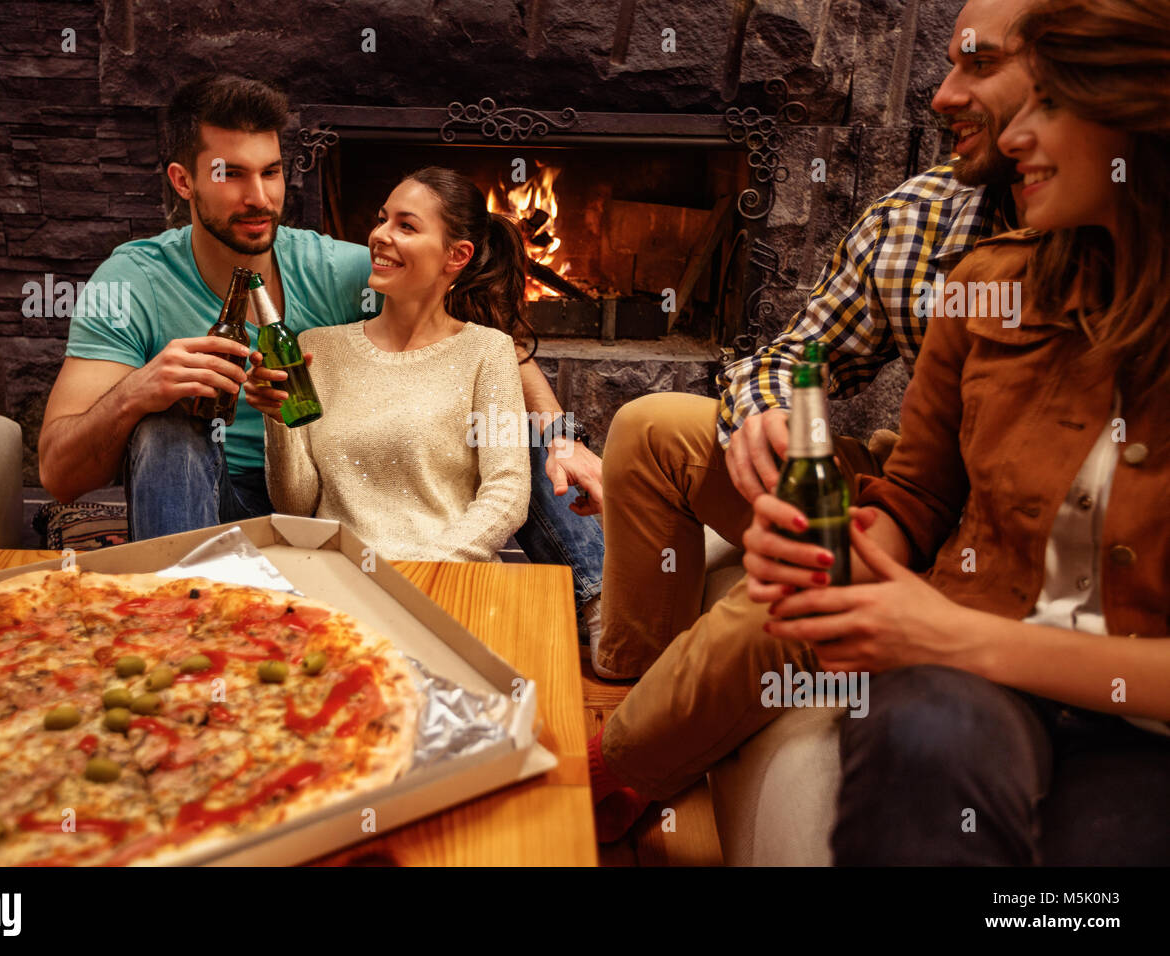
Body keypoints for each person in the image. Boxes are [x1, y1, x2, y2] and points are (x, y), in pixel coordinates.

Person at [586, 0, 1032, 841]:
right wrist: (767, 416)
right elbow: (791, 358)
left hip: (981, 537)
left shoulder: (1103, 247)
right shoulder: (923, 217)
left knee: (798, 588)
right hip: (918, 488)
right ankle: (626, 681)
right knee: (652, 429)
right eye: (943, 65)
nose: (938, 97)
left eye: (980, 65)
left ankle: (616, 774)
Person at [745, 0, 1170, 865]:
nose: (1015, 136)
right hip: (973, 676)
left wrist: (946, 632)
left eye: (1049, 104)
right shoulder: (984, 284)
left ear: (1139, 111)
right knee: (927, 732)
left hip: (1134, 720)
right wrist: (852, 546)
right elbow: (921, 489)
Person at [37, 76, 605, 623]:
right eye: (230, 174)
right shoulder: (132, 281)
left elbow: (484, 340)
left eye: (272, 172)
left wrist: (560, 435)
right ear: (184, 182)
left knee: (521, 434)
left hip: (322, 512)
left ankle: (603, 601)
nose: (259, 197)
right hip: (211, 508)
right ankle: (182, 626)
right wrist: (141, 391)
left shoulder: (343, 271)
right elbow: (59, 475)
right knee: (166, 427)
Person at [249, 168, 530, 561]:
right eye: (382, 219)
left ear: (457, 255)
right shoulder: (317, 348)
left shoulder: (488, 352)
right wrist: (279, 421)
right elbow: (296, 506)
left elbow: (508, 491)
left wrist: (430, 568)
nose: (380, 235)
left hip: (446, 576)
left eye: (407, 227)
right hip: (339, 575)